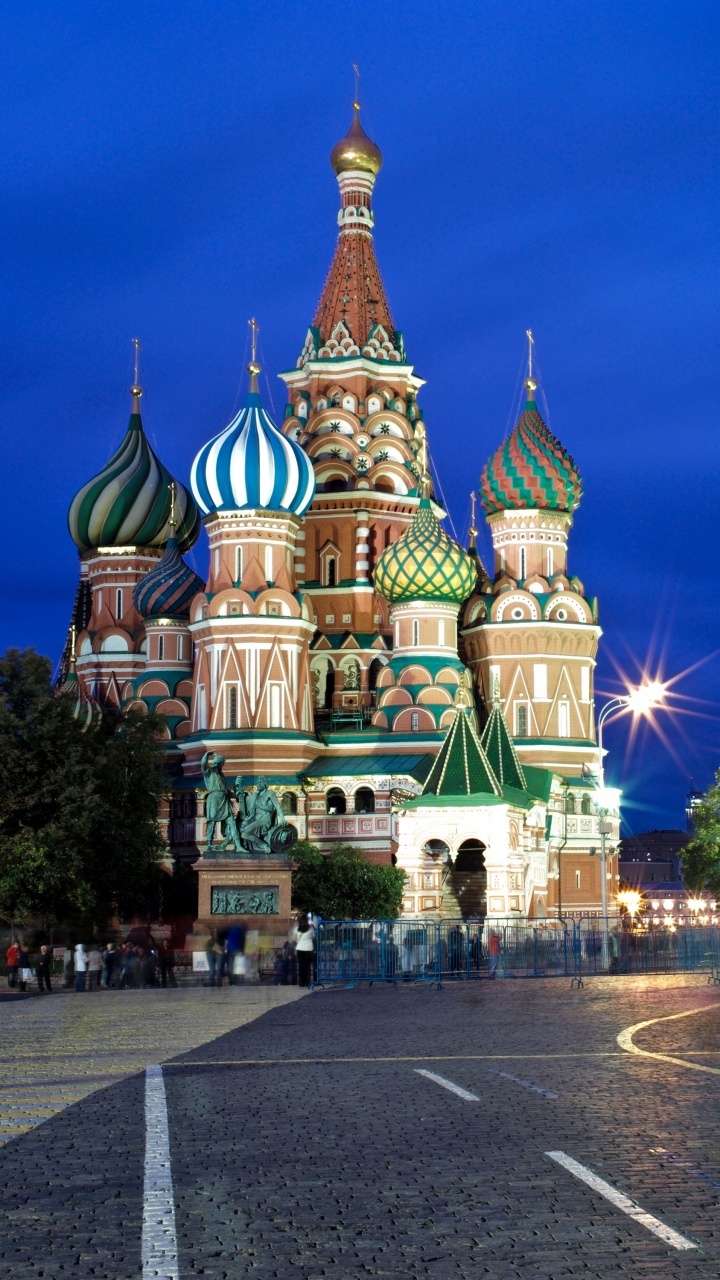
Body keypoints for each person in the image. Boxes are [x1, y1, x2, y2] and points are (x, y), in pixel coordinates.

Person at [291, 913, 316, 988]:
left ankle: (301, 982)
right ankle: (308, 982)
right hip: (309, 949)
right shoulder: (310, 929)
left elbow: (294, 939)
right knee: (307, 966)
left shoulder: (296, 929)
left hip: (300, 949)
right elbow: (314, 937)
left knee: (301, 966)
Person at [226, 921, 247, 985]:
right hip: (235, 950)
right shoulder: (241, 931)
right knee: (236, 967)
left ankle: (232, 983)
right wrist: (242, 950)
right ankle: (235, 982)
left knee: (231, 967)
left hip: (231, 950)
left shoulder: (230, 930)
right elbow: (243, 941)